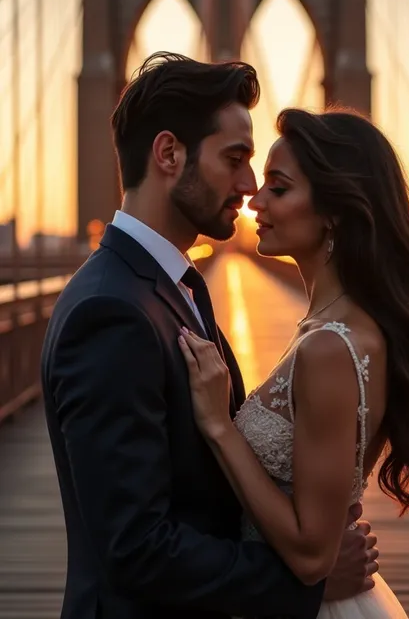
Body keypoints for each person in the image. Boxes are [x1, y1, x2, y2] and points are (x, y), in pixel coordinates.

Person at [40, 54, 379, 619]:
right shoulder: (110, 312)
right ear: (169, 154)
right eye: (235, 158)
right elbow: (136, 549)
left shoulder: (173, 287)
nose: (249, 187)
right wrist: (307, 583)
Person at [178, 108, 409, 618]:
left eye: (279, 188)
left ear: (334, 210)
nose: (255, 201)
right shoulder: (328, 326)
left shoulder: (330, 348)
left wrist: (220, 426)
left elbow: (312, 556)